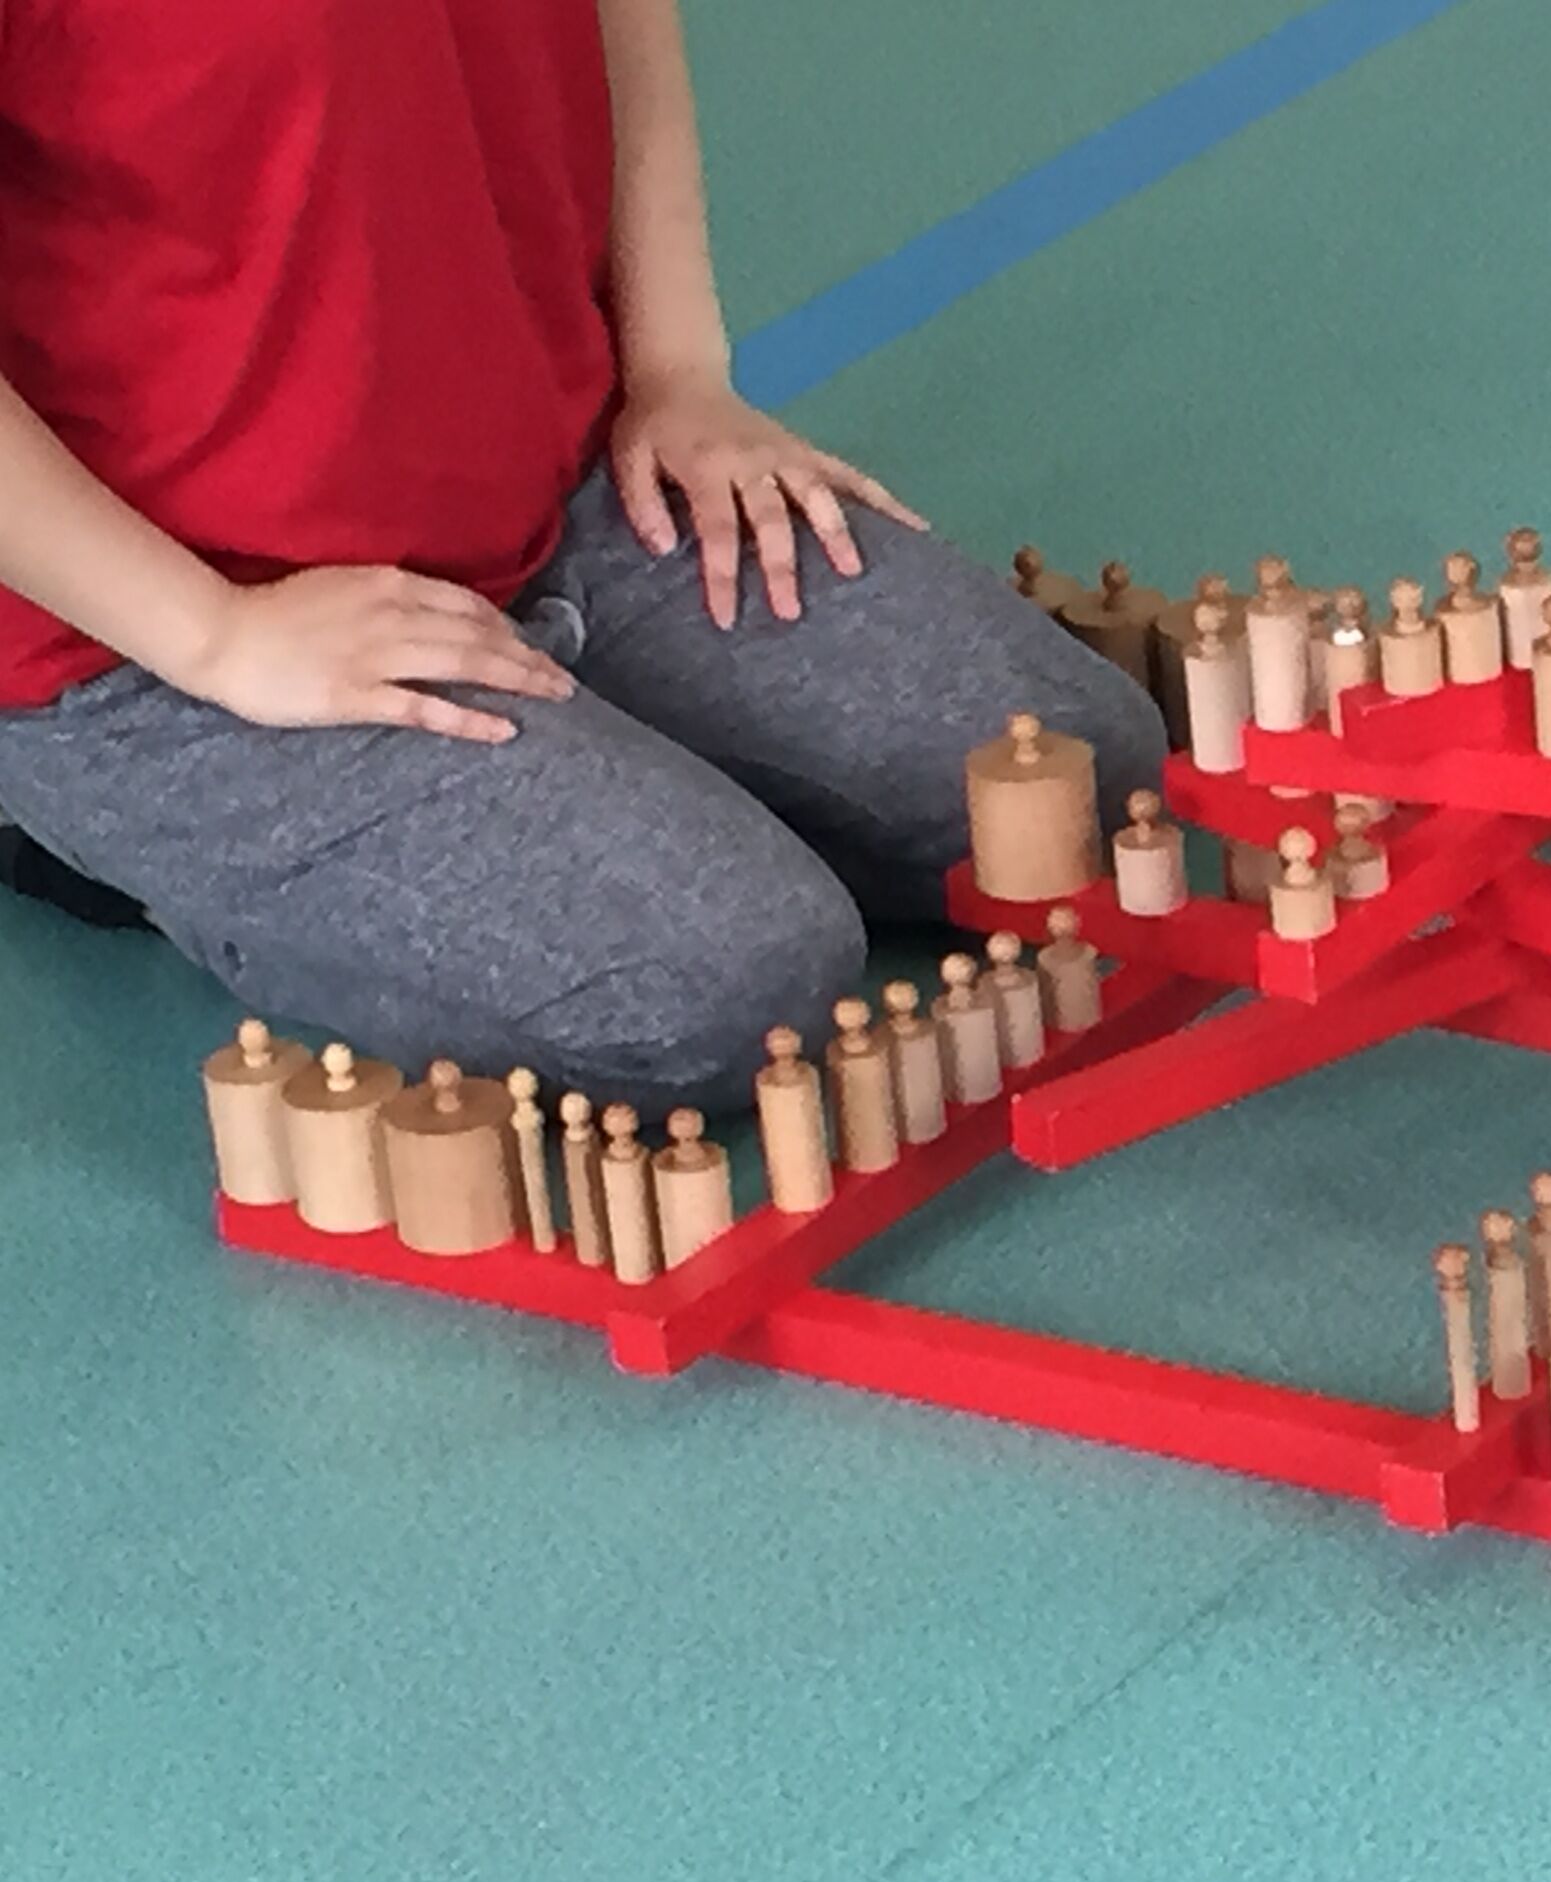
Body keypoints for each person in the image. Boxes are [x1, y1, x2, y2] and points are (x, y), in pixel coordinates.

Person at [0, 0, 1164, 1109]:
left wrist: (677, 369)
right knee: (727, 981)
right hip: (160, 623)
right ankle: (101, 832)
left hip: (547, 479)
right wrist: (214, 637)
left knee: (1069, 777)